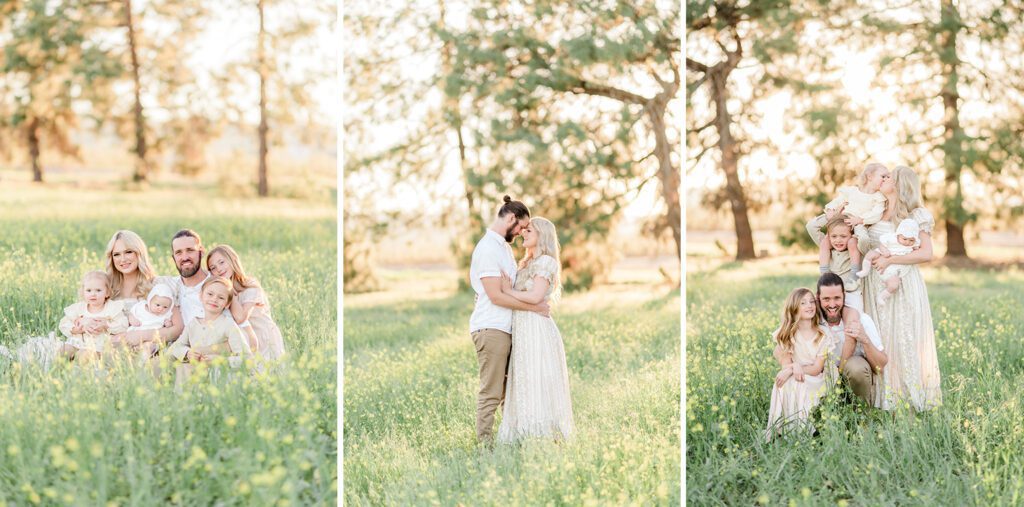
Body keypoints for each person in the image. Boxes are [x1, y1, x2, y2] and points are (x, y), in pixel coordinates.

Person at [854, 165, 941, 411]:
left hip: (901, 283)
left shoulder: (916, 214)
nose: (885, 178)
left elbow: (926, 253)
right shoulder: (876, 208)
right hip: (873, 283)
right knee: (879, 337)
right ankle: (879, 398)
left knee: (902, 337)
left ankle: (906, 398)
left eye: (890, 176)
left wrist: (890, 260)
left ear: (901, 184)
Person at [468, 195, 551, 444]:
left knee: (510, 393)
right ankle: (484, 447)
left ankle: (512, 440)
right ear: (511, 218)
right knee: (491, 392)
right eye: (520, 228)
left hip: (505, 328)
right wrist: (534, 308)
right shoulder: (488, 249)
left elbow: (506, 290)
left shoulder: (502, 247)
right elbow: (495, 296)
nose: (520, 233)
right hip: (491, 328)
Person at [496, 217, 574, 443]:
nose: (523, 233)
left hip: (537, 328)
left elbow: (535, 297)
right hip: (522, 329)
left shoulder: (546, 262)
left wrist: (505, 291)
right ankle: (522, 433)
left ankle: (543, 434)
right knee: (523, 378)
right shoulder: (525, 263)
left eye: (528, 230)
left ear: (542, 235)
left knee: (538, 377)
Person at [800, 273, 888, 406]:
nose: (832, 304)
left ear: (844, 296)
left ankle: (859, 413)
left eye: (837, 298)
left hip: (851, 377)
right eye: (826, 299)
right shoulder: (811, 321)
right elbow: (783, 345)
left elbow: (880, 366)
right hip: (822, 376)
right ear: (818, 298)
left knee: (856, 367)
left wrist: (864, 339)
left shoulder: (861, 320)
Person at [765, 287, 833, 441]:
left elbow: (816, 369)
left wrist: (796, 367)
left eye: (811, 302)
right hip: (795, 372)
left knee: (799, 382)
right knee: (782, 383)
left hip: (817, 378)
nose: (810, 306)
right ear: (794, 308)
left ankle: (801, 431)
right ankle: (780, 427)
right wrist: (792, 367)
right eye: (803, 303)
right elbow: (786, 365)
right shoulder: (788, 333)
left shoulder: (822, 334)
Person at [168, 277, 253, 388]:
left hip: (218, 384)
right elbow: (174, 348)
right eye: (210, 294)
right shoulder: (193, 324)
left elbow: (246, 358)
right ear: (201, 296)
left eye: (221, 297)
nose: (214, 299)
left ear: (227, 304)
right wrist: (187, 353)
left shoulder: (229, 325)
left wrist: (220, 360)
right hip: (191, 384)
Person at [207, 245, 285, 360]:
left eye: (222, 262)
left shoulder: (250, 285)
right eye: (213, 268)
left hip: (265, 338)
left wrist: (229, 290)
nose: (218, 269)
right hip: (246, 341)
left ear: (233, 259)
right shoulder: (221, 293)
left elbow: (240, 318)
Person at [815, 162, 888, 277]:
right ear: (869, 176)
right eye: (883, 176)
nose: (886, 179)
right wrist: (830, 209)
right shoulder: (852, 191)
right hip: (843, 218)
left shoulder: (878, 197)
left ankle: (856, 270)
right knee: (824, 240)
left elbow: (877, 213)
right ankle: (824, 272)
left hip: (859, 222)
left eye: (888, 177)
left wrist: (860, 220)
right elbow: (838, 201)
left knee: (861, 239)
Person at [57, 271, 128, 363]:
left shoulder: (112, 308)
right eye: (89, 290)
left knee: (83, 355)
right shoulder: (79, 308)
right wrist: (77, 329)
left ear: (107, 293)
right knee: (63, 350)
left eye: (98, 290)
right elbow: (64, 324)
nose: (93, 294)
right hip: (77, 342)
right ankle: (56, 372)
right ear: (83, 292)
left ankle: (78, 372)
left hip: (98, 346)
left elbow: (123, 325)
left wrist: (107, 325)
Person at [805, 214, 865, 311]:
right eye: (834, 236)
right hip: (830, 292)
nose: (838, 240)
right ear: (829, 237)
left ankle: (853, 278)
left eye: (843, 236)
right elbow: (811, 227)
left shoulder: (857, 248)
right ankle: (825, 277)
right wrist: (828, 217)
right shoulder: (827, 248)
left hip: (850, 292)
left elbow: (864, 238)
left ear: (852, 235)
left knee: (853, 317)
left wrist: (858, 224)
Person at [857, 218, 921, 306]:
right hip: (882, 255)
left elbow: (917, 252)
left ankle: (882, 297)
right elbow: (881, 244)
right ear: (898, 235)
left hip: (894, 268)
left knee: (894, 285)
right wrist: (884, 251)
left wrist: (915, 247)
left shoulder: (914, 245)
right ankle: (865, 270)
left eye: (911, 240)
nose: (907, 242)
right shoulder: (891, 238)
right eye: (905, 239)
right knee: (871, 254)